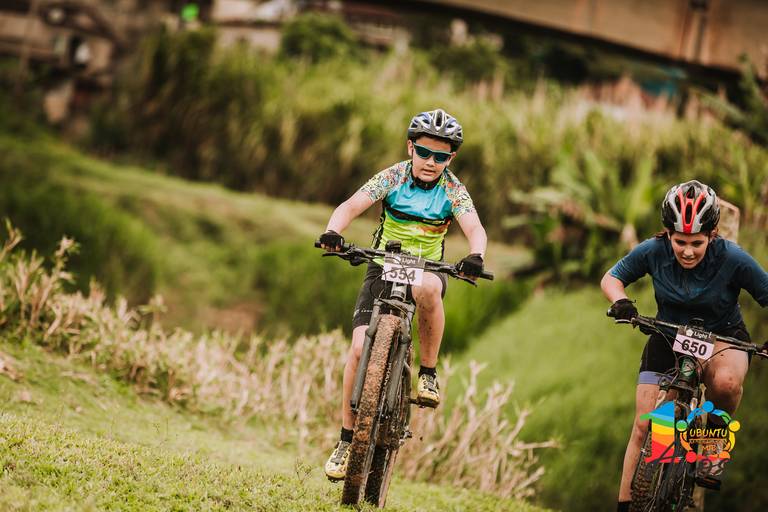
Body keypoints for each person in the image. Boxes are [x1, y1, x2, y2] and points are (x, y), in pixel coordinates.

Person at [319, 108, 488, 481]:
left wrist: (476, 255)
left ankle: (427, 372)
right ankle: (346, 440)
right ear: (410, 147)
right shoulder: (392, 176)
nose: (431, 162)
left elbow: (475, 228)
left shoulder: (453, 190)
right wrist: (333, 232)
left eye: (441, 157)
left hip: (428, 270)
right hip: (383, 265)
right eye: (424, 153)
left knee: (426, 286)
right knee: (358, 350)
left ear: (451, 158)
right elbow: (350, 206)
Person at [601, 180, 768, 511]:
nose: (687, 251)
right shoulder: (652, 251)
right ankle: (630, 502)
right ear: (668, 234)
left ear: (712, 235)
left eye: (697, 242)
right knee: (645, 423)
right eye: (679, 241)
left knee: (726, 383)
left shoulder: (733, 258)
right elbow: (612, 278)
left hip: (723, 337)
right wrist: (621, 301)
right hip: (669, 333)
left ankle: (713, 444)